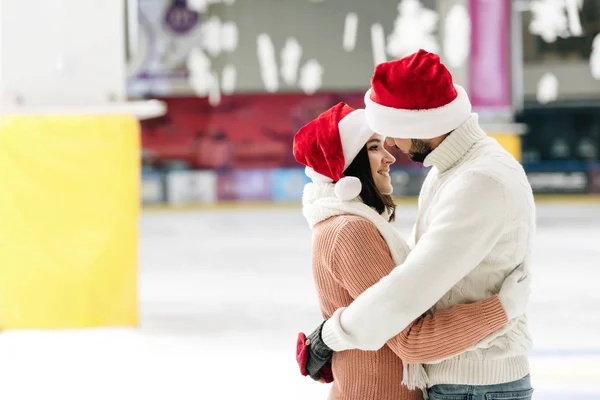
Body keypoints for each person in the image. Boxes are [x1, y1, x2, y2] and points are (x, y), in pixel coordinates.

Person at [293, 101, 531, 400]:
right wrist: (502, 309)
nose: (389, 156)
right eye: (374, 147)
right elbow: (412, 339)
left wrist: (329, 337)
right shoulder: (350, 230)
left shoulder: (344, 224)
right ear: (346, 165)